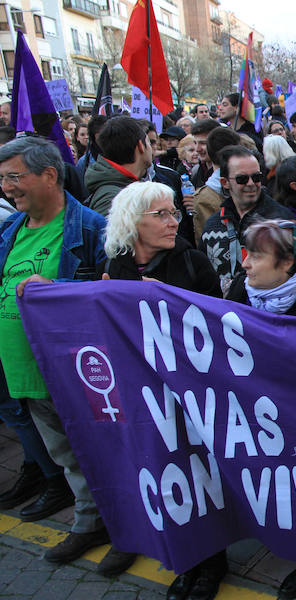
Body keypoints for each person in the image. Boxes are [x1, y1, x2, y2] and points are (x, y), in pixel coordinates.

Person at [0, 137, 134, 575]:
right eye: (2, 179)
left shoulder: (92, 229)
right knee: (69, 458)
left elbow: (111, 299)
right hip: (26, 373)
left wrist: (54, 291)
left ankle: (129, 531)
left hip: (79, 375)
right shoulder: (8, 232)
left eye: (14, 177)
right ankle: (90, 522)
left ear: (50, 175)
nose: (7, 188)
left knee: (108, 454)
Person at [199, 145, 292, 294]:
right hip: (225, 313)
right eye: (242, 179)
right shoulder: (212, 226)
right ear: (225, 182)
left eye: (256, 177)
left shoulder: (281, 221)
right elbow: (205, 278)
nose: (251, 183)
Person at [102, 181, 220, 297]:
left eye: (174, 214)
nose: (174, 223)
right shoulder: (110, 267)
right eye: (162, 214)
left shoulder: (194, 263)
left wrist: (166, 295)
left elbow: (214, 313)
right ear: (131, 220)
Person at [85, 116, 154, 217]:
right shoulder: (111, 199)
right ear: (141, 146)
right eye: (149, 143)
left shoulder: (127, 185)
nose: (152, 150)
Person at [191, 126, 242, 245]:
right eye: (195, 143)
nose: (197, 149)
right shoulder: (252, 181)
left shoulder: (203, 198)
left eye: (203, 143)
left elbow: (205, 243)